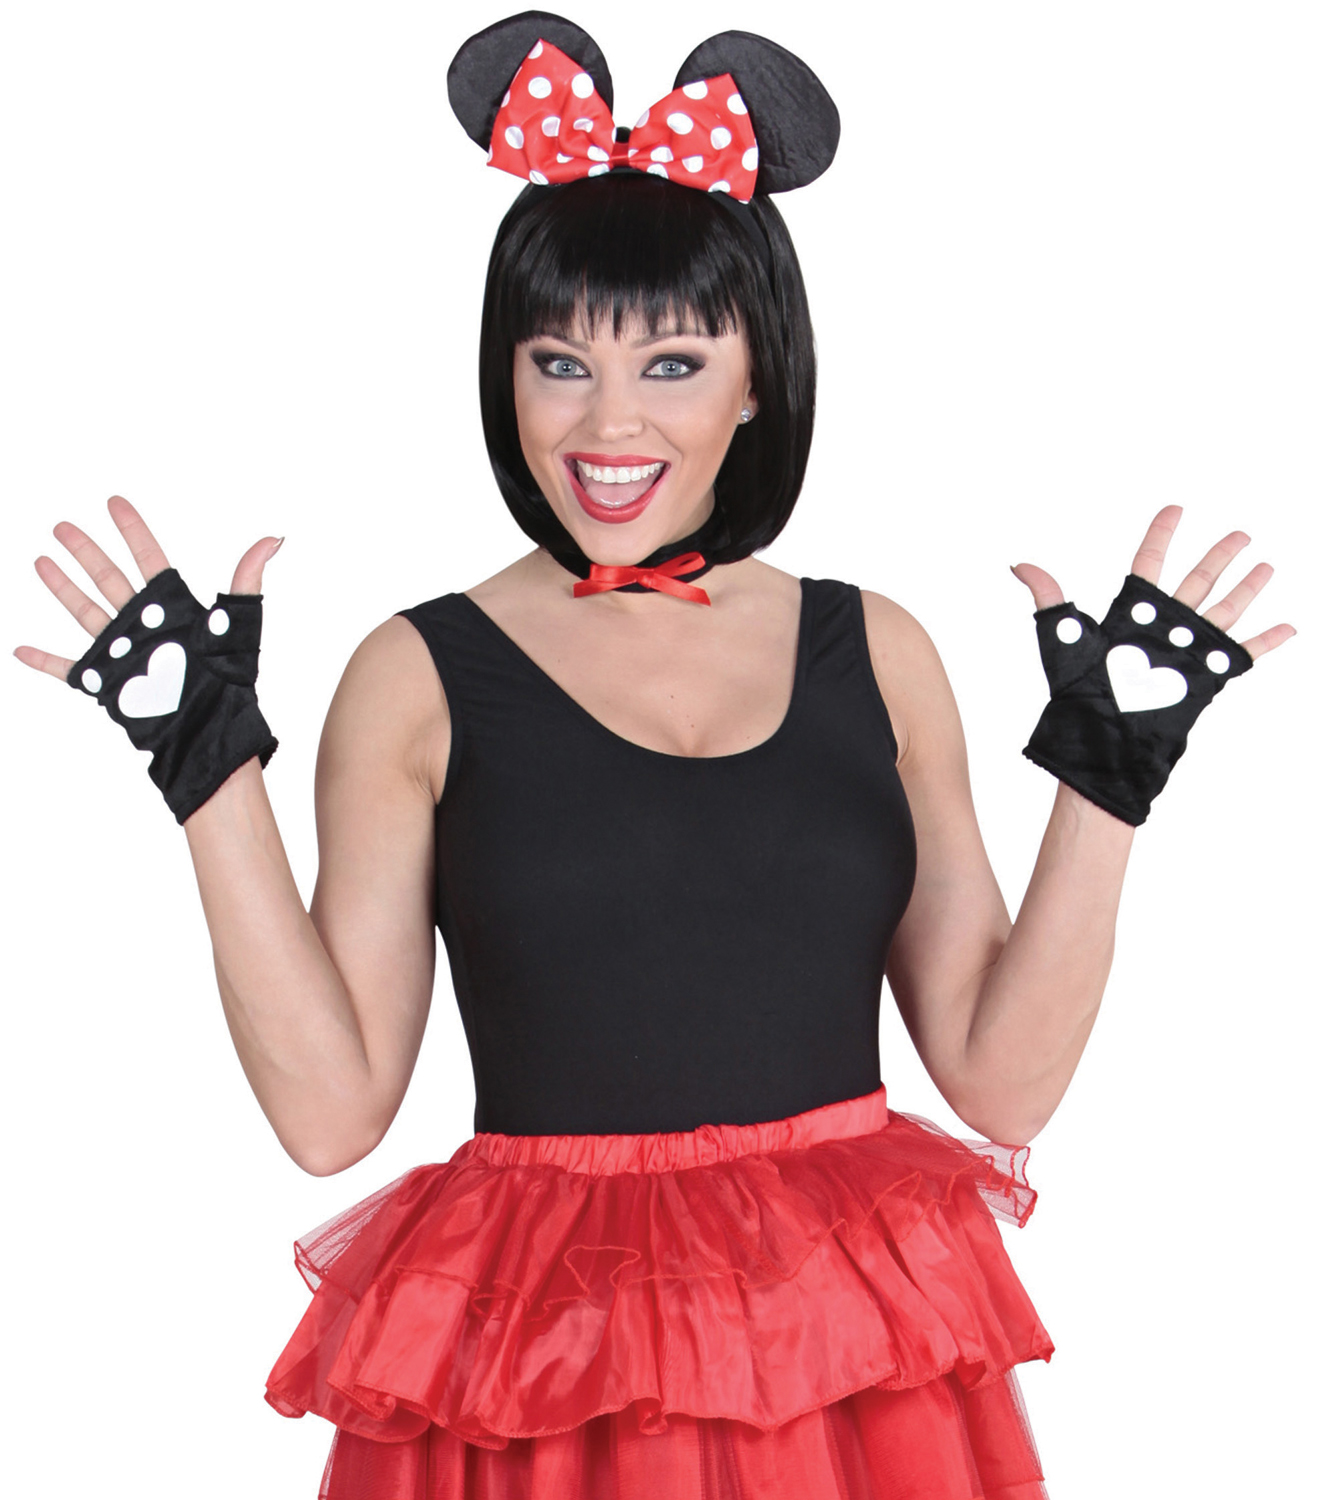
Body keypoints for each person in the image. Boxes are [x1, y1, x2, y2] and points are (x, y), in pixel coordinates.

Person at [13, 13, 1295, 1499]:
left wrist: (1108, 778)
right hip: (547, 1370)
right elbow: (330, 1115)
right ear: (504, 377)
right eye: (559, 361)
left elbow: (1002, 1085)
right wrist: (206, 773)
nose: (608, 423)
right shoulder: (418, 674)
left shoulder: (876, 648)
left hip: (840, 1370)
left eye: (674, 362)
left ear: (759, 381)